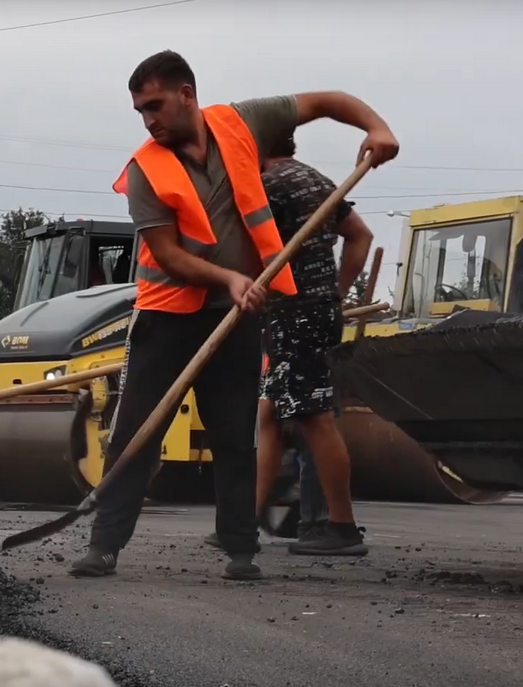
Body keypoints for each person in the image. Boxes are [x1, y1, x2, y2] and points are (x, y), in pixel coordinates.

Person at [68, 50, 397, 581]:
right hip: (166, 318)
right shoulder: (145, 170)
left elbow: (327, 101)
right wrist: (229, 278)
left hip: (237, 316)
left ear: (187, 95)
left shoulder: (242, 121)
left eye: (155, 105)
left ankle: (241, 550)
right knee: (136, 432)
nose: (149, 120)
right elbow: (169, 255)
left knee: (233, 433)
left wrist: (377, 127)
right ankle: (104, 546)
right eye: (140, 112)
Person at [254, 135, 374, 555]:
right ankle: (246, 518)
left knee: (315, 419)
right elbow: (361, 235)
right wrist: (336, 291)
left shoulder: (269, 185)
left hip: (298, 312)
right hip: (308, 310)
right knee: (269, 411)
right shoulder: (315, 180)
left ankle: (341, 527)